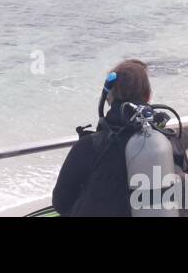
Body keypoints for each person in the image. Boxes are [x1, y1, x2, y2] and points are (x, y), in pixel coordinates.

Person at [51, 59, 154, 217]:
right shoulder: (166, 142)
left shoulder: (89, 146)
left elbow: (60, 202)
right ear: (148, 96)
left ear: (108, 97)